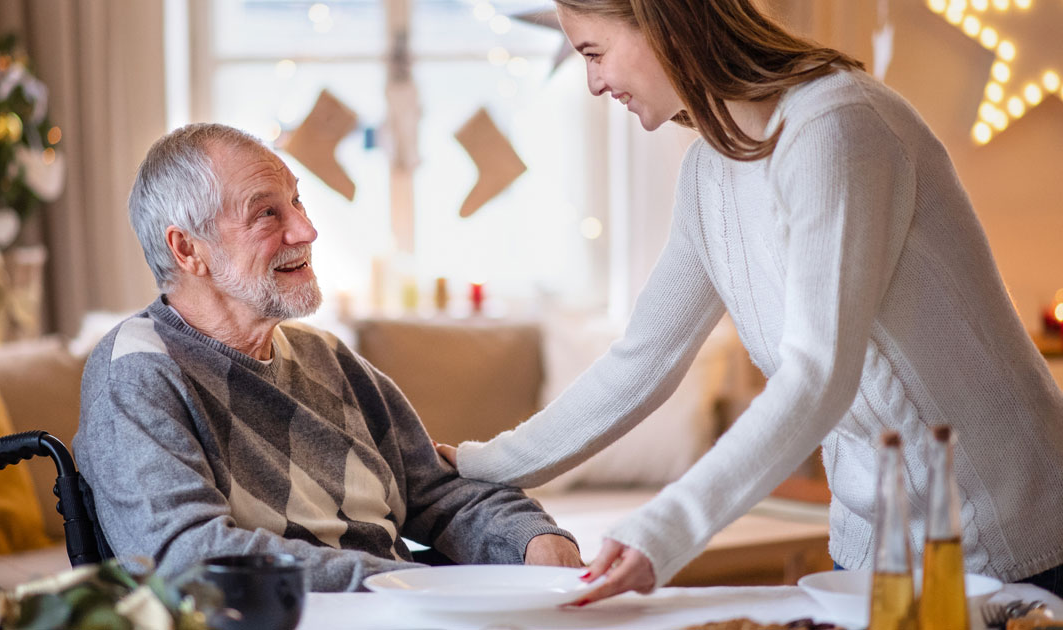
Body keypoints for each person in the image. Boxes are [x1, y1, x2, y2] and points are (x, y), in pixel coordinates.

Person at [437, 0, 1063, 605]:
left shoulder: (838, 125)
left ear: (661, 20)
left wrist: (663, 530)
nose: (595, 83)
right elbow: (640, 361)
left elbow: (819, 376)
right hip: (874, 545)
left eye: (595, 53)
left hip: (1004, 534)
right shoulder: (710, 172)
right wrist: (481, 464)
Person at [74, 123, 582, 591]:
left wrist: (533, 539)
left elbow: (437, 490)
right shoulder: (137, 371)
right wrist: (406, 585)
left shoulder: (325, 356)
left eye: (297, 201)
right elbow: (191, 560)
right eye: (267, 213)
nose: (306, 231)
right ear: (188, 250)